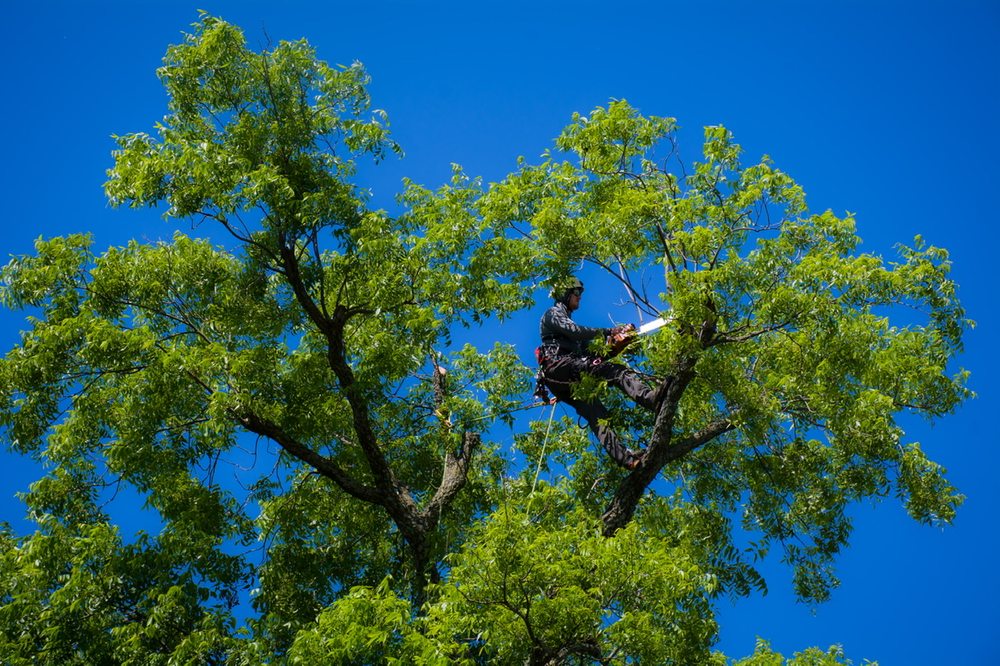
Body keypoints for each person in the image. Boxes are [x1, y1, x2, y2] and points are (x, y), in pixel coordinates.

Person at [535, 277, 666, 470]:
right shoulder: (552, 314)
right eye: (577, 293)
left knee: (596, 412)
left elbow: (596, 356)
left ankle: (628, 460)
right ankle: (650, 398)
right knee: (616, 371)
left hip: (566, 378)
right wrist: (609, 331)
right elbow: (575, 330)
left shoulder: (575, 342)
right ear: (565, 294)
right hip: (559, 367)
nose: (579, 298)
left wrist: (617, 344)